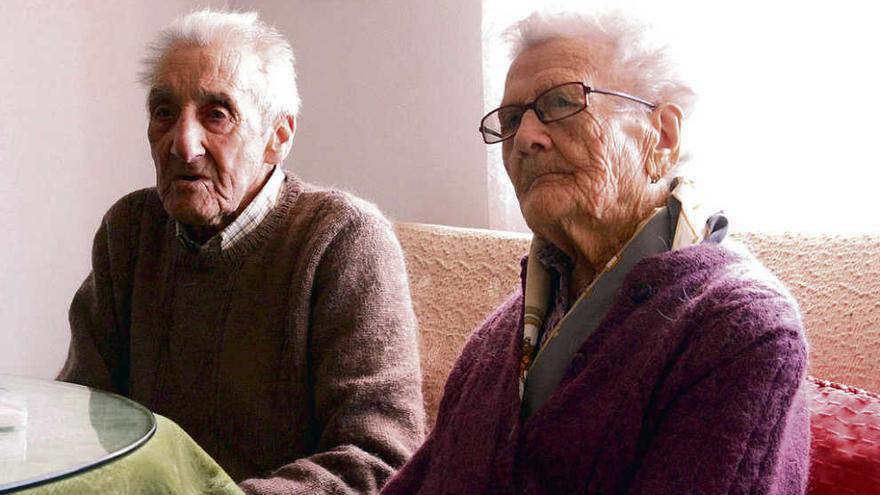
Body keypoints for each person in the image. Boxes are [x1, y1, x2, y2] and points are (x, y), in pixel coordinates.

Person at [381, 10, 809, 495]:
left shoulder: (741, 329)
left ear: (662, 138)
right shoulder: (501, 335)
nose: (523, 138)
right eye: (511, 119)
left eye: (562, 102)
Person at [58, 9, 425, 494]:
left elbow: (379, 458)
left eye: (216, 114)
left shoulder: (343, 240)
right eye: (164, 112)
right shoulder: (129, 231)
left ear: (279, 136)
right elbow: (81, 414)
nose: (182, 144)